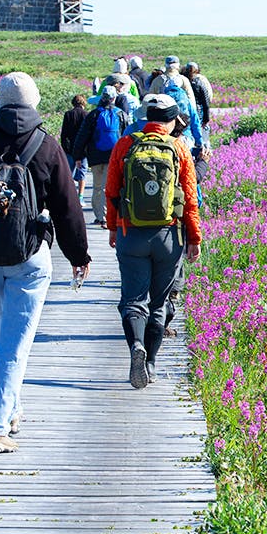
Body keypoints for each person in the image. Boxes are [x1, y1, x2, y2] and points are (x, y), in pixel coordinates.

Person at [0, 72, 91, 455]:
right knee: (15, 344)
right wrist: (79, 256)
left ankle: (10, 411)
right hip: (29, 256)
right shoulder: (46, 145)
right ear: (35, 101)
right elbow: (67, 208)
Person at [105, 94, 202, 388]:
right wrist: (194, 237)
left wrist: (112, 228)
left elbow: (111, 191)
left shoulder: (125, 145)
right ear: (172, 121)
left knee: (133, 301)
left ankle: (136, 345)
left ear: (148, 119)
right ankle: (151, 363)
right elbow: (191, 198)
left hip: (131, 234)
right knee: (158, 303)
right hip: (168, 236)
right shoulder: (179, 148)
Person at [73, 86, 129, 226]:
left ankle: (100, 216)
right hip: (114, 156)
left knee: (98, 187)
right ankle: (111, 215)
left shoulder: (93, 115)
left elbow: (82, 136)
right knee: (112, 186)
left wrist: (78, 156)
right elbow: (127, 136)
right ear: (114, 98)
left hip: (96, 156)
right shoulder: (121, 114)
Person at [59, 94, 89, 205]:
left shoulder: (68, 114)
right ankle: (80, 197)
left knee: (68, 174)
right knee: (82, 174)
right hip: (82, 150)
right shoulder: (86, 115)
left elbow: (64, 134)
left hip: (70, 149)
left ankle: (69, 196)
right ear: (83, 103)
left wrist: (65, 148)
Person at [184, 61, 213, 130]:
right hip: (198, 112)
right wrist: (206, 119)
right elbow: (206, 102)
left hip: (186, 112)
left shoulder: (183, 81)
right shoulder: (200, 82)